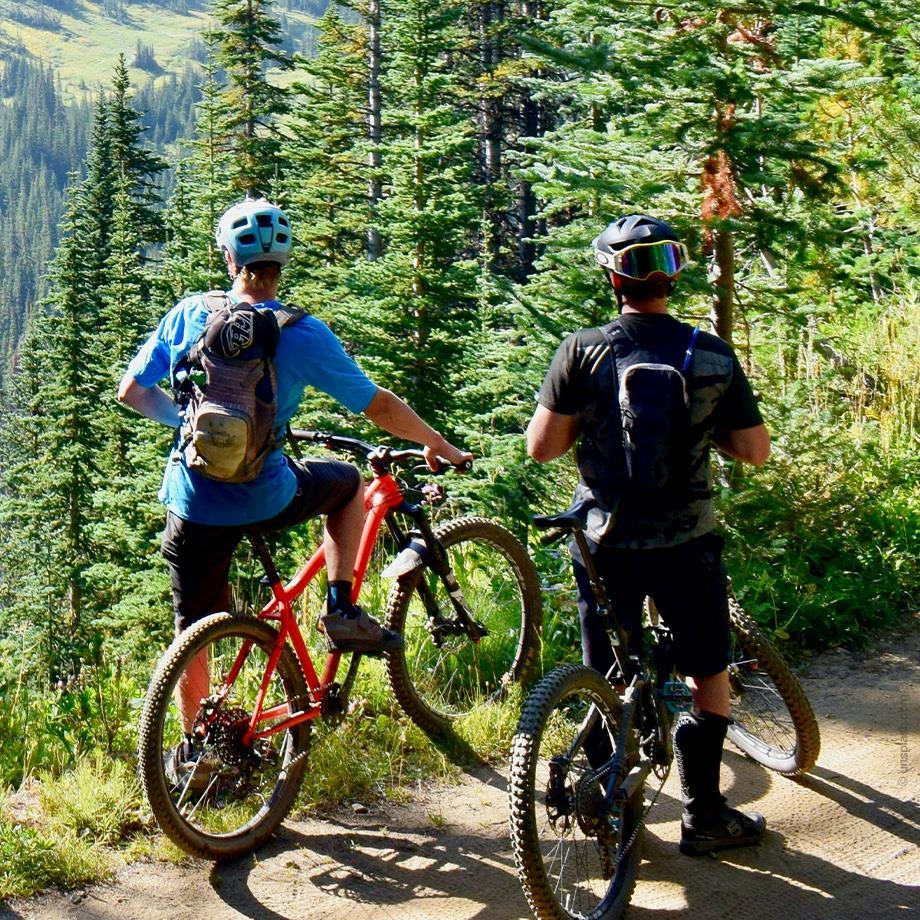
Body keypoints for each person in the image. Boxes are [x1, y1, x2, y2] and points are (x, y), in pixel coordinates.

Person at [119, 197, 472, 751]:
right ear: (283, 263)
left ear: (228, 259)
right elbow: (376, 406)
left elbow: (132, 392)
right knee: (349, 483)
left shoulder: (189, 314)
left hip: (192, 500)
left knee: (192, 629)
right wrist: (438, 443)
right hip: (267, 493)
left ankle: (196, 750)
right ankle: (340, 607)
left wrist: (183, 421)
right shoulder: (301, 333)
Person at [526, 213, 771, 856]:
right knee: (707, 672)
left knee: (604, 669)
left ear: (613, 277)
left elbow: (542, 448)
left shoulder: (582, 349)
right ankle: (705, 815)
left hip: (606, 541)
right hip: (688, 542)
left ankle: (610, 806)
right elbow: (754, 450)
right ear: (674, 272)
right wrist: (705, 428)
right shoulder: (712, 353)